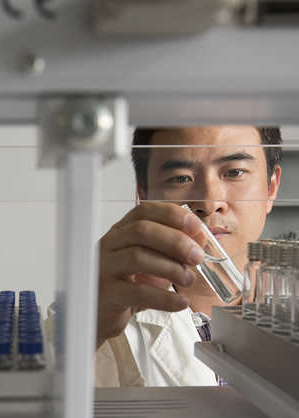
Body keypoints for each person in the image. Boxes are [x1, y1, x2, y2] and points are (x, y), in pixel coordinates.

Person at [95, 126, 282, 387]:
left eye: (234, 172)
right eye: (180, 178)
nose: (208, 202)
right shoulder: (102, 311)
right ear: (144, 195)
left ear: (271, 188)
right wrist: (89, 329)